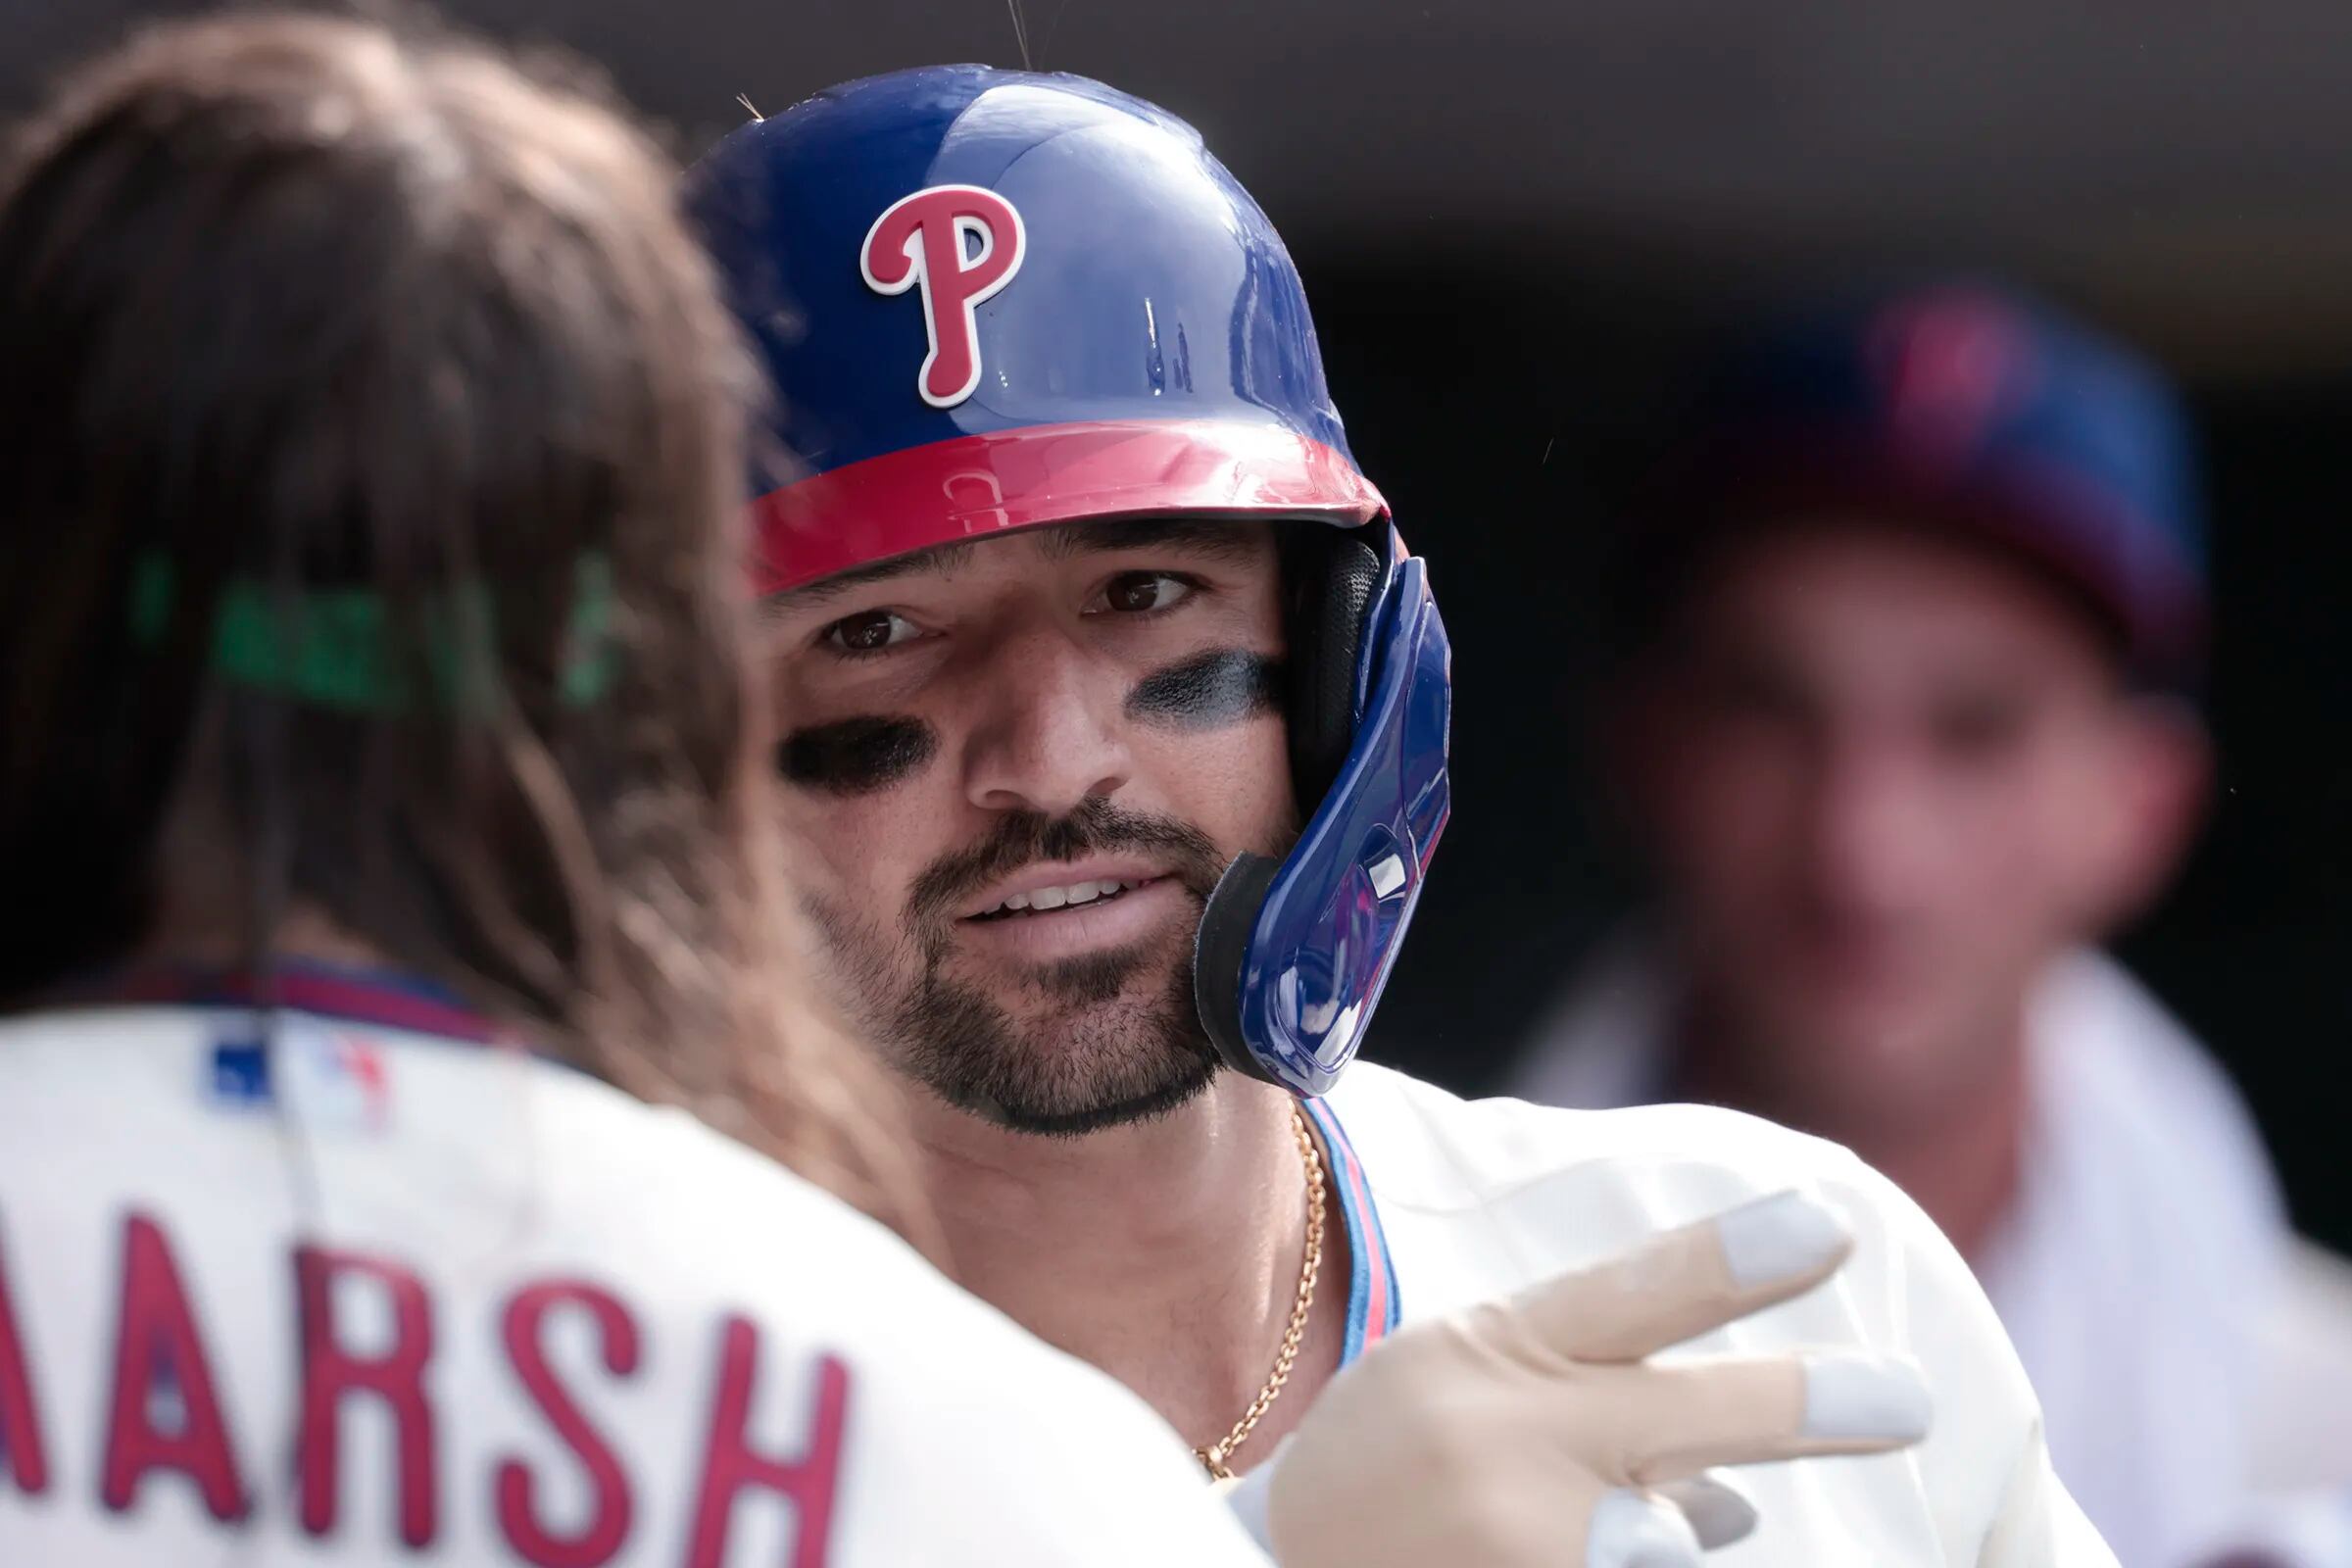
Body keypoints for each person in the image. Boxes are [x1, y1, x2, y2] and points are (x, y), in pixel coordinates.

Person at [689, 66, 2110, 1564]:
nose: (1050, 760)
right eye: (877, 632)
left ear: (1343, 658)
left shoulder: (1787, 1292)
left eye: (1147, 594)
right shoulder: (571, 1428)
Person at [1507, 283, 2352, 1565]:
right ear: (1641, 751)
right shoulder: (1329, 1361)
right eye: (1771, 708)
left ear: (2146, 806)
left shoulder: (2322, 1443)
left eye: (1977, 731)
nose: (1864, 856)